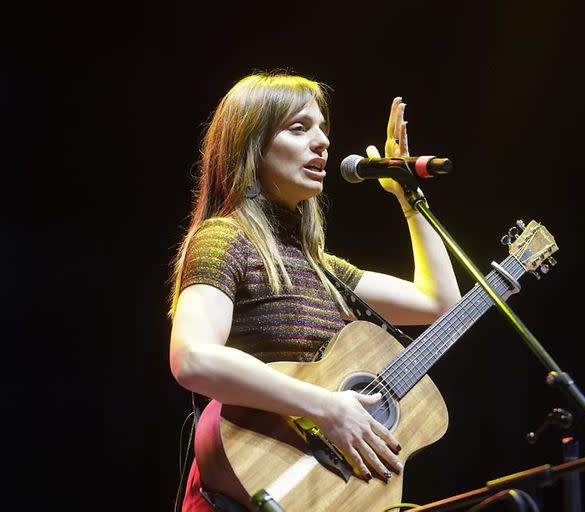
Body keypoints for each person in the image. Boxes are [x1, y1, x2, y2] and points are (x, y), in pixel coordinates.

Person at [168, 72, 461, 511]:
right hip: (243, 488)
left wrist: (409, 196)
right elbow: (192, 358)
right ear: (252, 145)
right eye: (299, 127)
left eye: (324, 129)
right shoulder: (225, 238)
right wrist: (326, 407)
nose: (323, 142)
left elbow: (441, 304)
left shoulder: (322, 267)